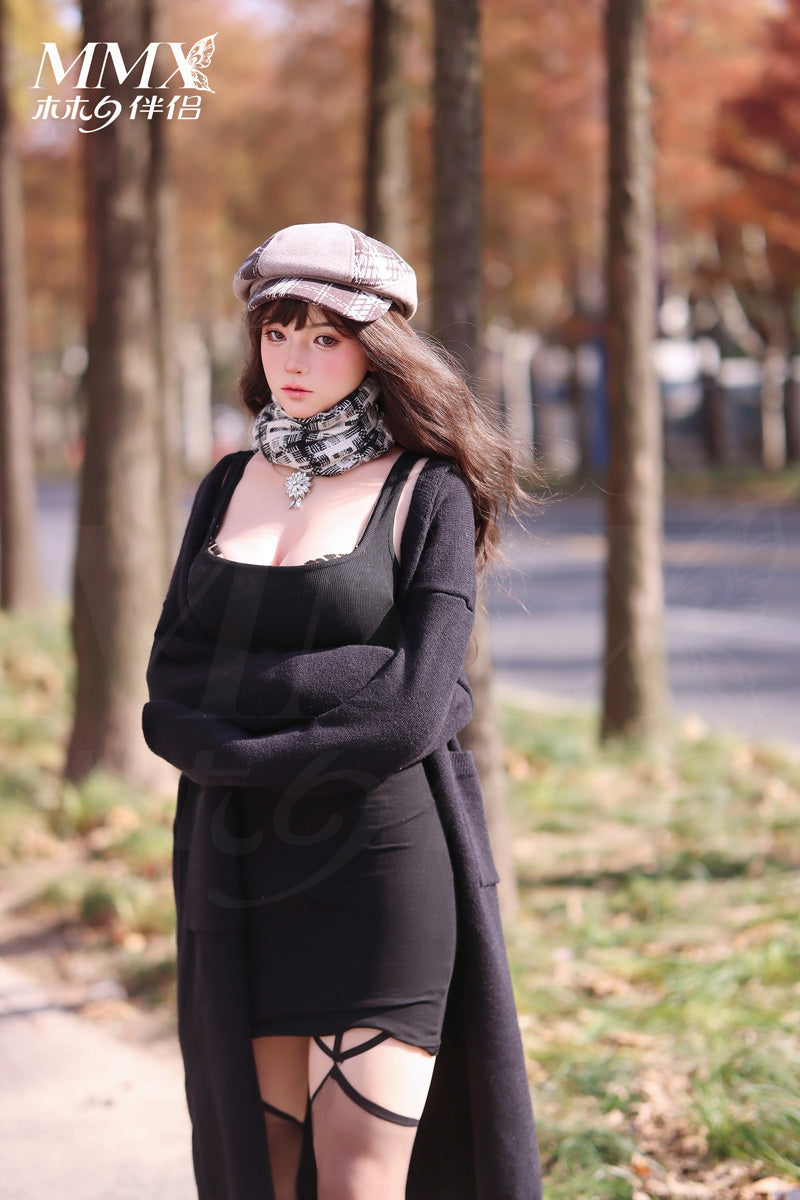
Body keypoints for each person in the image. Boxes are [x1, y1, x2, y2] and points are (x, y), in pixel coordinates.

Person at [142, 222, 542, 1200]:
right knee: (262, 1174)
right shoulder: (224, 486)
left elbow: (412, 710)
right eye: (278, 331)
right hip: (235, 866)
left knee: (361, 1183)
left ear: (378, 349)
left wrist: (240, 731)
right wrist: (337, 679)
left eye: (325, 336)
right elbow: (169, 691)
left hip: (381, 865)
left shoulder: (428, 492)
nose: (294, 358)